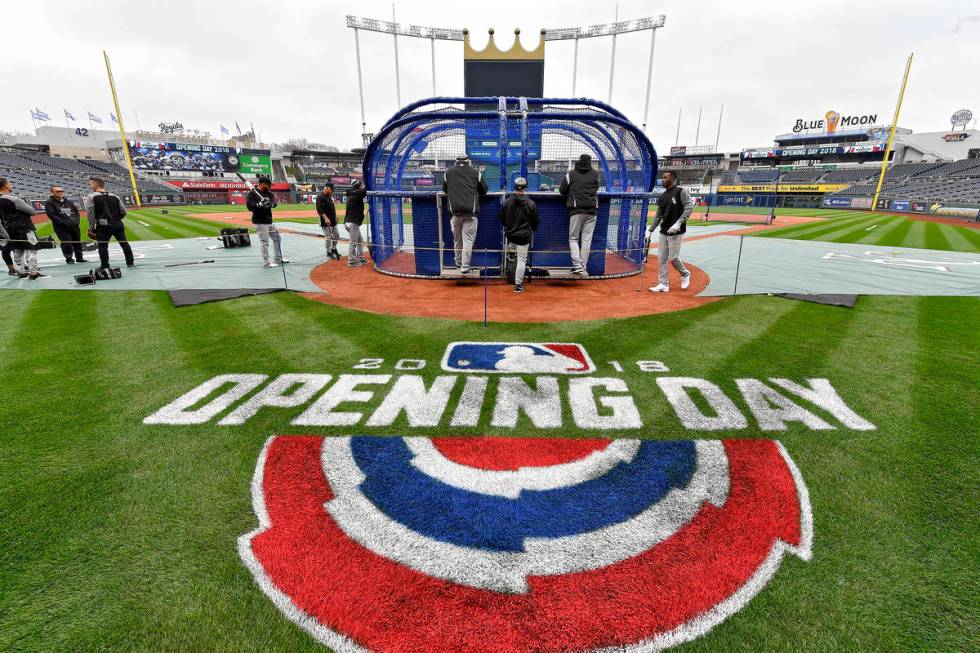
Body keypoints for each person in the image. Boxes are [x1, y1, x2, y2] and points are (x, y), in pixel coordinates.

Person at [648, 170, 693, 293]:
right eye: (662, 177)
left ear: (672, 179)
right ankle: (663, 284)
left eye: (665, 177)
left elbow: (689, 207)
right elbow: (658, 216)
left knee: (673, 258)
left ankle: (685, 274)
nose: (662, 179)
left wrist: (678, 223)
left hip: (676, 232)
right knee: (661, 259)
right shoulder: (662, 196)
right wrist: (650, 230)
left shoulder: (681, 192)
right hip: (664, 231)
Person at [442, 154, 487, 274]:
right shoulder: (475, 172)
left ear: (456, 161)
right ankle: (465, 267)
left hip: (455, 213)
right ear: (468, 161)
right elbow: (484, 190)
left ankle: (458, 263)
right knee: (467, 241)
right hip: (470, 214)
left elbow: (445, 190)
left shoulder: (448, 172)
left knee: (457, 240)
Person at [559, 153, 600, 277]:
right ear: (590, 162)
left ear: (579, 161)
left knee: (573, 238)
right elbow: (596, 188)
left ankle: (577, 266)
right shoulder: (596, 174)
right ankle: (583, 267)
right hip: (592, 211)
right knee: (586, 240)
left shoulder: (571, 174)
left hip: (576, 211)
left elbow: (562, 191)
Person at [86, 177, 134, 269]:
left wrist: (91, 228)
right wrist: (117, 219)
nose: (90, 185)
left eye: (91, 184)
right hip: (117, 224)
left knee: (103, 246)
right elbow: (124, 211)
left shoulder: (91, 196)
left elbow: (91, 214)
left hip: (103, 225)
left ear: (96, 185)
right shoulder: (114, 196)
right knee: (124, 244)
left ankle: (105, 266)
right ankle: (130, 263)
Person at [501, 177, 539, 293]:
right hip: (524, 237)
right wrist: (533, 228)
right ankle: (518, 285)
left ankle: (509, 273)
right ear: (525, 187)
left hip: (511, 235)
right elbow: (535, 222)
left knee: (512, 255)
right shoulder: (531, 203)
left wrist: (509, 228)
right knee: (522, 259)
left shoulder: (507, 202)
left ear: (514, 187)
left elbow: (502, 219)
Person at [0, 178, 42, 279]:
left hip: (9, 229)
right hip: (25, 228)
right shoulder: (14, 199)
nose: (11, 185)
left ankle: (22, 272)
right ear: (5, 186)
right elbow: (32, 211)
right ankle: (33, 273)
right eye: (10, 183)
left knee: (17, 251)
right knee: (31, 250)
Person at [246, 175, 287, 267]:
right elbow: (250, 207)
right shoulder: (252, 194)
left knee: (277, 238)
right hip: (260, 221)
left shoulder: (269, 193)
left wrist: (270, 204)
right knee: (264, 242)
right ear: (263, 184)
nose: (270, 186)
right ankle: (267, 263)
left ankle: (278, 258)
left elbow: (274, 203)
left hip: (269, 220)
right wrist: (260, 204)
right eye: (268, 185)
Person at [44, 185, 86, 264]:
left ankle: (80, 258)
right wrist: (63, 223)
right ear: (52, 192)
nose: (60, 192)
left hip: (74, 226)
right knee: (67, 243)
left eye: (61, 191)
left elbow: (76, 213)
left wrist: (76, 222)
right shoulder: (49, 203)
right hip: (62, 228)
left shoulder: (69, 202)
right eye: (57, 191)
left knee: (77, 242)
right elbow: (52, 215)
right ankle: (69, 259)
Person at [344, 179, 367, 267]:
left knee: (360, 240)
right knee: (353, 242)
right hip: (352, 222)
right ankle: (351, 261)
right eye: (361, 185)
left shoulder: (353, 193)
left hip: (350, 222)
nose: (362, 186)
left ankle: (361, 258)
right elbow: (365, 190)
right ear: (358, 186)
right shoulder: (357, 193)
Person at [316, 183, 341, 261]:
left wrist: (336, 215)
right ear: (326, 188)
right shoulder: (320, 197)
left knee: (336, 235)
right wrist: (326, 218)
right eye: (331, 190)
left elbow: (333, 207)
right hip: (324, 221)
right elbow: (319, 209)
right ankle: (328, 252)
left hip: (332, 220)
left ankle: (333, 248)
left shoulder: (329, 196)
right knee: (328, 237)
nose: (332, 191)